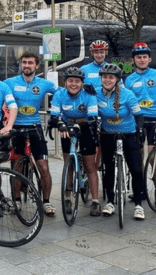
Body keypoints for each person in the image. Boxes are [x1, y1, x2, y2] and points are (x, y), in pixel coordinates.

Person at [4, 52, 58, 216]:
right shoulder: (9, 82)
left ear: (36, 66)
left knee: (43, 167)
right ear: (21, 64)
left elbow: (63, 92)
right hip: (16, 128)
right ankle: (16, 200)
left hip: (35, 128)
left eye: (30, 63)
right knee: (17, 167)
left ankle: (46, 202)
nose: (27, 65)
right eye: (24, 62)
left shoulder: (44, 83)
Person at [96, 64, 146, 220]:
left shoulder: (127, 94)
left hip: (128, 134)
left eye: (111, 77)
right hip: (107, 134)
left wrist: (139, 129)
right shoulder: (96, 94)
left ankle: (138, 204)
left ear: (117, 79)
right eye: (104, 77)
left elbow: (139, 115)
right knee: (108, 169)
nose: (107, 80)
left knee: (136, 169)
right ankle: (110, 201)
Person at [48, 67, 101, 216]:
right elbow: (54, 114)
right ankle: (67, 198)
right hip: (67, 127)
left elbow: (92, 117)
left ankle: (95, 201)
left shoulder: (89, 94)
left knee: (90, 166)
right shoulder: (59, 94)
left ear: (82, 83)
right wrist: (59, 123)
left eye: (77, 81)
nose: (73, 84)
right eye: (70, 81)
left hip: (85, 127)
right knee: (68, 165)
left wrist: (80, 126)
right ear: (65, 82)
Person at [124, 42, 156, 207]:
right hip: (137, 121)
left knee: (152, 156)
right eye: (138, 57)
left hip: (154, 119)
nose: (142, 60)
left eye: (144, 57)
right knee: (138, 157)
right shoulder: (129, 79)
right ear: (133, 60)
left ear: (149, 59)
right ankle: (141, 190)